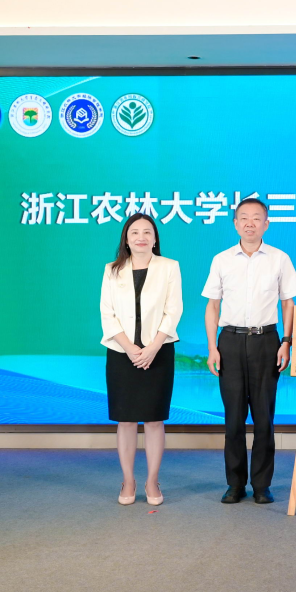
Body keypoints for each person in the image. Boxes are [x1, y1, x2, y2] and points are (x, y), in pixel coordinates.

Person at [203, 198, 296, 505]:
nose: (250, 223)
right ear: (235, 224)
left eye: (256, 218)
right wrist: (212, 347)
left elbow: (288, 303)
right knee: (233, 419)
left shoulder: (279, 259)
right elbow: (213, 306)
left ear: (266, 224)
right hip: (230, 342)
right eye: (243, 218)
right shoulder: (221, 260)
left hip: (266, 341)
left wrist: (286, 341)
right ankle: (235, 484)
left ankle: (262, 485)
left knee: (264, 418)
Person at [99, 213, 183, 506]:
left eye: (147, 232)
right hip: (121, 353)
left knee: (154, 419)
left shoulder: (169, 267)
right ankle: (128, 480)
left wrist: (152, 348)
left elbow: (173, 310)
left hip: (158, 352)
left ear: (155, 238)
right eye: (134, 232)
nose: (141, 237)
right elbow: (107, 314)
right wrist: (131, 349)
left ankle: (151, 481)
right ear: (126, 238)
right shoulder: (112, 270)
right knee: (125, 420)